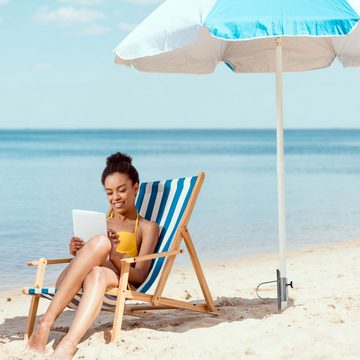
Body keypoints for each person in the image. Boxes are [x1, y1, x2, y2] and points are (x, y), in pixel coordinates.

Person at [26, 152, 159, 360]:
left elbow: (140, 277)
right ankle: (44, 325)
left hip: (115, 280)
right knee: (99, 243)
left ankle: (67, 344)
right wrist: (77, 250)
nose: (115, 198)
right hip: (71, 284)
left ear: (136, 187)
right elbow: (83, 261)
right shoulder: (101, 223)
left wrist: (114, 255)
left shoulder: (147, 227)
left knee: (99, 268)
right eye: (109, 192)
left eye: (121, 190)